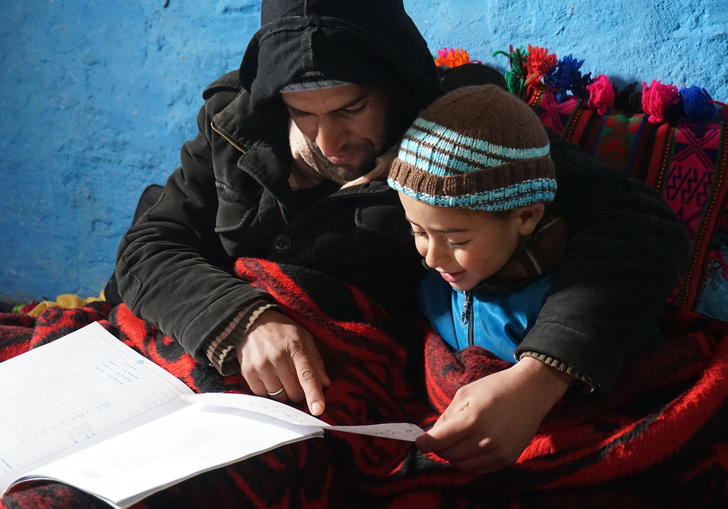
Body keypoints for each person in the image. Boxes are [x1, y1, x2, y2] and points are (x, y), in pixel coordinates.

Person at [114, 0, 688, 464]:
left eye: (350, 109)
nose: (328, 143)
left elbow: (636, 222)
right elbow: (148, 247)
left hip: (355, 397)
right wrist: (239, 319)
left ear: (395, 80)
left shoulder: (459, 133)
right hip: (220, 369)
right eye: (303, 113)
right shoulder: (236, 125)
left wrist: (541, 376)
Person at [388, 83, 583, 472]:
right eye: (418, 232)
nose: (432, 257)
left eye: (456, 239)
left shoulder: (558, 307)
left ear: (526, 217)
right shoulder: (435, 289)